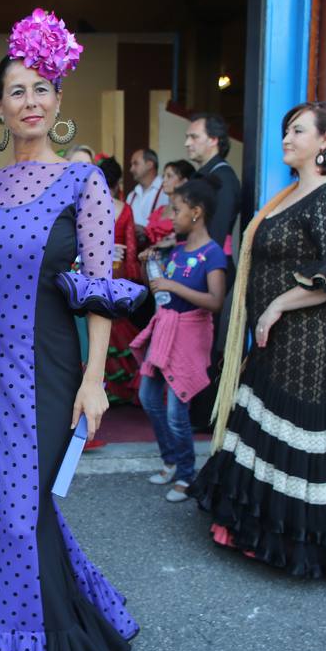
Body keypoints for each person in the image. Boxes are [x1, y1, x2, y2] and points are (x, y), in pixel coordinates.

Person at [0, 9, 144, 651]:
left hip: (48, 369)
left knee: (15, 512)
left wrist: (95, 379)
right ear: (0, 107)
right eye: (17, 91)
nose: (30, 100)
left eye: (42, 88)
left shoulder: (85, 183)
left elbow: (100, 287)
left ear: (58, 100)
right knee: (16, 513)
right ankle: (75, 622)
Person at [190, 101, 326, 578]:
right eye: (286, 130)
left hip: (312, 339)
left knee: (297, 433)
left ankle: (300, 543)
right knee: (261, 425)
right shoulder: (292, 193)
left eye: (298, 131)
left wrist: (277, 305)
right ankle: (254, 532)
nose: (287, 139)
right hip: (277, 335)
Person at [132, 179, 228, 502]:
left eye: (177, 210)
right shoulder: (173, 250)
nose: (171, 217)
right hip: (165, 333)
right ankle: (170, 460)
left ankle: (186, 473)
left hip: (189, 339)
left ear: (196, 213)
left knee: (176, 411)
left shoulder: (213, 254)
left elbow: (215, 301)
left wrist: (173, 288)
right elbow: (158, 291)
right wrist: (150, 266)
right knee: (147, 397)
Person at [96, 155, 142, 405]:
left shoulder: (91, 204)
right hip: (119, 270)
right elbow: (131, 247)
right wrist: (133, 275)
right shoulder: (125, 208)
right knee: (118, 322)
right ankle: (121, 382)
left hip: (96, 270)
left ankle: (104, 382)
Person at [184, 113, 242, 245]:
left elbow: (217, 234)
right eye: (187, 137)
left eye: (194, 137)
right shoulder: (201, 175)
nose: (187, 143)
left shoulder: (223, 178)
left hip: (210, 262)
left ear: (213, 140)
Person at [127, 148, 168, 231]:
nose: (131, 169)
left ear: (149, 164)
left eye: (135, 164)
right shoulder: (131, 195)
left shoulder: (166, 191)